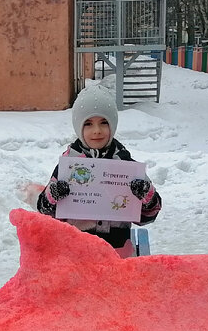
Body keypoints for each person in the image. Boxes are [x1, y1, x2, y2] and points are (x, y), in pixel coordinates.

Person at [36, 83, 161, 257]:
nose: (97, 131)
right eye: (88, 124)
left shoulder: (126, 165)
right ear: (78, 127)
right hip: (77, 256)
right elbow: (44, 209)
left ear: (113, 124)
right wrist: (53, 195)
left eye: (104, 122)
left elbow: (150, 215)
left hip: (118, 255)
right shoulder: (68, 165)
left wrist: (146, 196)